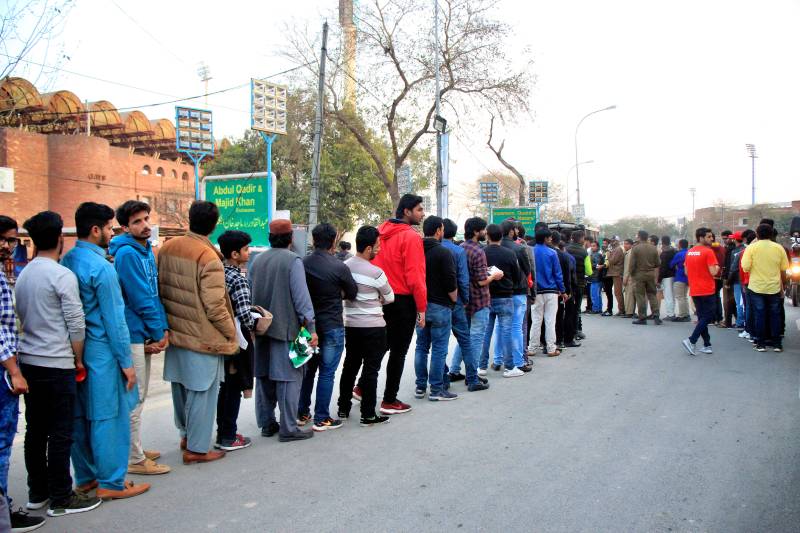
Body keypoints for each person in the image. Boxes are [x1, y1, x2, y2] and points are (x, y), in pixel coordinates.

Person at [15, 211, 102, 518]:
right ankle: (61, 497)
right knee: (61, 432)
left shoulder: (24, 273)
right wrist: (78, 357)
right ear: (59, 240)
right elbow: (76, 323)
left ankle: (37, 493)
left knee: (35, 431)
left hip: (29, 360)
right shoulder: (61, 275)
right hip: (57, 362)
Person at [61, 203, 150, 500]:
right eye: (110, 228)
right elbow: (115, 320)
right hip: (102, 351)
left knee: (81, 417)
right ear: (96, 230)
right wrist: (127, 363)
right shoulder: (101, 267)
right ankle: (111, 482)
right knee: (109, 418)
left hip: (75, 351)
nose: (112, 234)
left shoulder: (68, 261)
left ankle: (86, 478)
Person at [158, 200, 237, 463]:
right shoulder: (208, 256)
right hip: (202, 336)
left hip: (175, 331)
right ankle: (198, 448)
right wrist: (230, 334)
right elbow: (215, 305)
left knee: (180, 388)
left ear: (190, 218)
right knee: (203, 392)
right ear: (214, 225)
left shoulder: (167, 248)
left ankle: (186, 435)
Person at [108, 201, 171, 476]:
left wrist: (162, 328)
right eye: (137, 222)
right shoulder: (127, 254)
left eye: (146, 219)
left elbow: (154, 293)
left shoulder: (144, 250)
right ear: (125, 227)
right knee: (135, 398)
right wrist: (158, 332)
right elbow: (139, 297)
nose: (145, 225)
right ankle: (134, 458)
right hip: (134, 333)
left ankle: (136, 449)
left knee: (140, 395)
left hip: (145, 331)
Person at [0, 215, 48, 532]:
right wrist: (14, 371)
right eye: (2, 239)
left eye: (11, 240)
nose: (6, 245)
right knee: (3, 443)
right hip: (4, 369)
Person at [250, 219, 318, 442]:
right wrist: (311, 327)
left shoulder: (257, 261)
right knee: (290, 377)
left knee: (264, 376)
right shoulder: (293, 261)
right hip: (288, 330)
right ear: (291, 238)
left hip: (261, 329)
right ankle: (289, 428)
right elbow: (302, 299)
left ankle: (267, 424)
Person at [298, 223, 358, 432]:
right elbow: (352, 293)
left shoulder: (302, 263)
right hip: (332, 324)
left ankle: (302, 412)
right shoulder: (339, 267)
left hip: (307, 326)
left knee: (308, 371)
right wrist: (337, 293)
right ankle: (322, 417)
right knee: (327, 372)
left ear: (314, 240)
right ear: (333, 241)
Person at [371, 194, 426, 415]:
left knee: (380, 346)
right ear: (406, 211)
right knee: (398, 351)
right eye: (419, 210)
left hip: (379, 298)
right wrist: (422, 308)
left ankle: (362, 387)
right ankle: (389, 400)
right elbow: (416, 276)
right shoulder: (411, 238)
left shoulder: (379, 232)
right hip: (402, 300)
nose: (422, 214)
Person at [337, 226, 394, 426]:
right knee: (371, 370)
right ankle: (368, 414)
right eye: (378, 246)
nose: (379, 249)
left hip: (351, 325)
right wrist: (376, 297)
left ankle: (343, 407)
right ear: (369, 248)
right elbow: (390, 297)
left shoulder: (344, 266)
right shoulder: (376, 272)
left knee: (350, 366)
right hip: (374, 327)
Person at [215, 230, 256, 451]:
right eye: (246, 249)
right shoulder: (237, 279)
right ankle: (228, 436)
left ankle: (223, 431)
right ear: (234, 253)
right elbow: (244, 315)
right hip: (237, 340)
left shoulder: (216, 272)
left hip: (220, 336)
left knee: (224, 388)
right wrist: (255, 322)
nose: (248, 253)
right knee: (233, 387)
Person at [414, 217, 458, 401]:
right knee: (439, 348)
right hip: (440, 305)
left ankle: (420, 386)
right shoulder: (443, 252)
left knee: (421, 346)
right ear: (439, 231)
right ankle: (436, 389)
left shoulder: (415, 251)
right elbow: (450, 280)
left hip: (419, 306)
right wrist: (454, 299)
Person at [455, 217, 502, 384]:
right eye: (483, 230)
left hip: (465, 299)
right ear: (476, 232)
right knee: (476, 338)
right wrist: (494, 276)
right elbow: (481, 280)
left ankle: (454, 369)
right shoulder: (478, 251)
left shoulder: (460, 248)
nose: (485, 233)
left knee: (464, 336)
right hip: (479, 299)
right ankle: (472, 374)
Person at [481, 224, 525, 378]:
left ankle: (481, 366)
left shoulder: (482, 252)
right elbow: (518, 276)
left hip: (486, 296)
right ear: (502, 236)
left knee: (486, 332)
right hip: (506, 297)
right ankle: (510, 366)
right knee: (506, 331)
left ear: (487, 236)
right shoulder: (510, 253)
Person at [741, 223, 789, 352]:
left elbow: (745, 266)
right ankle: (777, 344)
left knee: (759, 315)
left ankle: (760, 343)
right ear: (771, 234)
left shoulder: (751, 248)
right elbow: (784, 267)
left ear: (757, 234)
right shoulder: (778, 248)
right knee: (775, 315)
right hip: (774, 287)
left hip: (756, 287)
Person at [441, 219, 476, 387]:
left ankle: (441, 379)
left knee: (439, 344)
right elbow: (463, 278)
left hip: (434, 302)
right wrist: (465, 300)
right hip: (456, 301)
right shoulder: (457, 251)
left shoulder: (429, 249)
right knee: (465, 340)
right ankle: (472, 378)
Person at [500, 220, 532, 371]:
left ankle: (498, 359)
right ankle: (519, 361)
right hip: (518, 291)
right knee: (516, 327)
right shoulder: (519, 249)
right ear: (511, 231)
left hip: (499, 292)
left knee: (500, 328)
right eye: (516, 230)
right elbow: (527, 270)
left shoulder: (493, 248)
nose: (517, 232)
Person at [681, 227, 719, 355]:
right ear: (701, 237)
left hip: (695, 289)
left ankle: (707, 345)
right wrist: (718, 267)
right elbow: (713, 271)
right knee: (708, 316)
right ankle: (691, 340)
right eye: (708, 237)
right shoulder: (708, 252)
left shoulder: (689, 252)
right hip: (707, 289)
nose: (712, 238)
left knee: (702, 317)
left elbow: (686, 272)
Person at [528, 230, 566, 357]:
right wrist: (563, 290)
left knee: (536, 320)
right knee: (550, 320)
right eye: (549, 237)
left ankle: (532, 348)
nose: (550, 239)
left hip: (536, 291)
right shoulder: (552, 253)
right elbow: (557, 274)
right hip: (551, 291)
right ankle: (551, 348)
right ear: (545, 238)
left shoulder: (530, 251)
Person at [629, 230, 662, 325]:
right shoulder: (653, 248)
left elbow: (632, 264)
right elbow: (658, 263)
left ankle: (642, 317)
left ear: (639, 237)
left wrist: (631, 274)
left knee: (640, 296)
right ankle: (656, 315)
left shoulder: (636, 248)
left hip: (639, 274)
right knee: (652, 294)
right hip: (651, 274)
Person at [565, 230, 591, 339]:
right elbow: (589, 271)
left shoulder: (566, 249)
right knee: (576, 309)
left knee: (567, 309)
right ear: (581, 239)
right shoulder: (584, 252)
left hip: (567, 284)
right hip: (579, 284)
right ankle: (576, 331)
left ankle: (566, 331)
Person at [726, 232, 746, 331]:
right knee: (745, 302)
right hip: (746, 279)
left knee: (739, 303)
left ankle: (740, 322)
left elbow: (733, 268)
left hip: (737, 280)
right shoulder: (746, 248)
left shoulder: (735, 252)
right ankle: (745, 321)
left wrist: (728, 282)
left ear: (735, 240)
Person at [669, 239, 691, 322]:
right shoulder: (689, 253)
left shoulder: (679, 254)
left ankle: (682, 315)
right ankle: (686, 313)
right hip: (688, 277)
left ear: (680, 245)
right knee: (684, 297)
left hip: (679, 276)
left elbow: (671, 264)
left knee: (680, 297)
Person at [658, 236, 677, 320]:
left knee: (668, 296)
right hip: (673, 275)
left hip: (666, 277)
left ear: (662, 243)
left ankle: (670, 314)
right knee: (672, 295)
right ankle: (672, 312)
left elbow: (663, 268)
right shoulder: (674, 251)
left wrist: (659, 279)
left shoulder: (664, 254)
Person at [607, 238, 625, 315]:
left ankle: (621, 310)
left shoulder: (617, 250)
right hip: (616, 273)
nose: (611, 243)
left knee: (618, 293)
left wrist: (608, 255)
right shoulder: (616, 249)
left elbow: (612, 261)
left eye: (612, 241)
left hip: (617, 273)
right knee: (617, 292)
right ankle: (621, 309)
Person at [588, 240, 605, 314]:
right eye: (591, 246)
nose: (592, 247)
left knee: (594, 294)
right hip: (597, 277)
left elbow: (597, 265)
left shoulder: (596, 254)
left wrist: (589, 265)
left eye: (594, 246)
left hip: (595, 277)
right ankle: (599, 308)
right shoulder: (596, 254)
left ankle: (595, 309)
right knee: (597, 294)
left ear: (597, 246)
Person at [621, 239, 635, 318]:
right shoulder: (628, 253)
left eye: (627, 244)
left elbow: (628, 268)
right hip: (630, 276)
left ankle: (629, 312)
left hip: (629, 277)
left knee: (629, 295)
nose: (624, 245)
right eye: (624, 244)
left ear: (631, 245)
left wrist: (625, 278)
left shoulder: (630, 254)